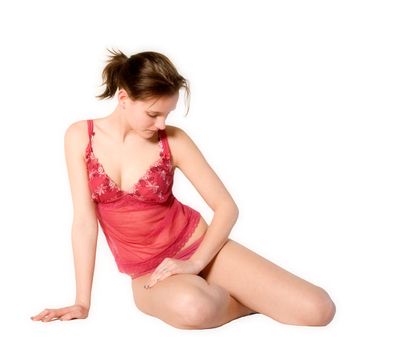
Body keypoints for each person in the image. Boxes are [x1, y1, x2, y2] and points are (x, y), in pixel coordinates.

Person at [30, 49, 336, 329]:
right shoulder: (79, 136)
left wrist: (196, 263)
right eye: (153, 114)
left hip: (198, 246)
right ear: (124, 98)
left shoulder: (174, 140)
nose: (162, 124)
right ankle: (251, 301)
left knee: (319, 310)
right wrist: (82, 302)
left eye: (168, 114)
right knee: (194, 308)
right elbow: (84, 223)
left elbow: (226, 207)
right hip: (149, 271)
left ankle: (250, 298)